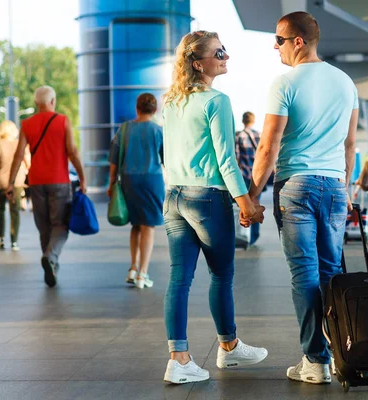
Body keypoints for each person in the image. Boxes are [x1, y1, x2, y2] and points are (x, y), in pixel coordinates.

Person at [247, 12, 358, 384]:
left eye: (279, 39)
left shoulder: (285, 82)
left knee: (305, 275)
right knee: (332, 274)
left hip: (296, 186)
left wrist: (250, 196)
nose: (274, 46)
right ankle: (342, 354)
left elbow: (269, 146)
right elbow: (350, 144)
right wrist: (345, 187)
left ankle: (315, 361)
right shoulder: (345, 82)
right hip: (333, 187)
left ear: (298, 42)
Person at [161, 30, 268, 384]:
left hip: (174, 197)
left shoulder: (172, 102)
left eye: (224, 50)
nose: (225, 56)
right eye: (218, 52)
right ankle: (229, 348)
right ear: (197, 63)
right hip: (207, 197)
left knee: (180, 278)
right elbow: (226, 160)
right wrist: (247, 204)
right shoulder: (216, 100)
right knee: (221, 276)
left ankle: (179, 359)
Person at [6, 86, 87, 288]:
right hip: (59, 179)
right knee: (60, 224)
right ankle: (50, 257)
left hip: (36, 181)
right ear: (53, 101)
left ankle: (51, 263)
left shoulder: (26, 124)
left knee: (44, 226)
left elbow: (18, 155)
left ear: (36, 103)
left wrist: (10, 182)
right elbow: (73, 151)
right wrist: (83, 177)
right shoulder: (62, 121)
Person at [107, 93, 164, 289]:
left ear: (137, 108)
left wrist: (111, 183)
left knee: (135, 225)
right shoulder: (159, 131)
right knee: (148, 226)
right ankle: (143, 274)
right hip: (152, 181)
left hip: (129, 181)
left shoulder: (124, 130)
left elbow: (114, 159)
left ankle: (132, 268)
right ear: (155, 110)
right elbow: (167, 160)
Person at [0, 120, 29, 251]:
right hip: (16, 182)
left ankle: (1, 239)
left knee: (0, 211)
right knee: (15, 211)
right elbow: (27, 162)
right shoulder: (19, 144)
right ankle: (14, 241)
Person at [235, 111, 262, 245]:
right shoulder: (258, 135)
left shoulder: (239, 136)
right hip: (257, 177)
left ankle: (243, 235)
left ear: (242, 121)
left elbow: (236, 158)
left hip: (244, 176)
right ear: (253, 120)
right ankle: (253, 236)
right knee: (256, 205)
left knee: (244, 207)